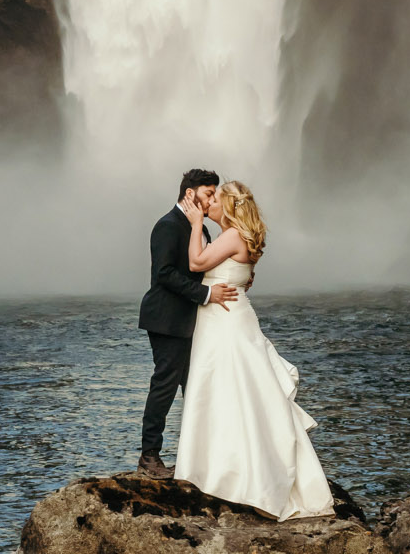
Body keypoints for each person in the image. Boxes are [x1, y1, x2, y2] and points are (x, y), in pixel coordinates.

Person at [170, 179, 333, 519]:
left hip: (223, 321)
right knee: (240, 392)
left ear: (229, 207)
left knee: (227, 390)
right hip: (231, 314)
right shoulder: (243, 238)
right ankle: (231, 469)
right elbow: (238, 273)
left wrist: (196, 224)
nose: (209, 202)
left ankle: (225, 474)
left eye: (215, 198)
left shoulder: (229, 235)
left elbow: (197, 265)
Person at [136, 168, 236, 476]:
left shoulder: (198, 226)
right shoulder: (167, 226)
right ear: (189, 194)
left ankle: (198, 458)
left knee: (195, 388)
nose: (211, 201)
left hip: (191, 321)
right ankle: (149, 456)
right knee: (165, 386)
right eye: (208, 194)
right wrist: (207, 293)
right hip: (167, 319)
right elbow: (165, 274)